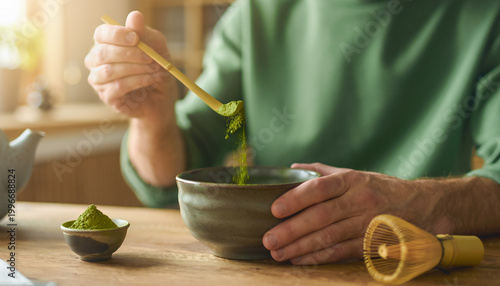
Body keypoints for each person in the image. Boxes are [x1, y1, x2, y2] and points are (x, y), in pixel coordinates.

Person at [85, 0, 500, 265]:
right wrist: (153, 120)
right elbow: (170, 177)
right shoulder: (254, 15)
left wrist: (419, 203)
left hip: (415, 265)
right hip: (274, 265)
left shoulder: (485, 16)